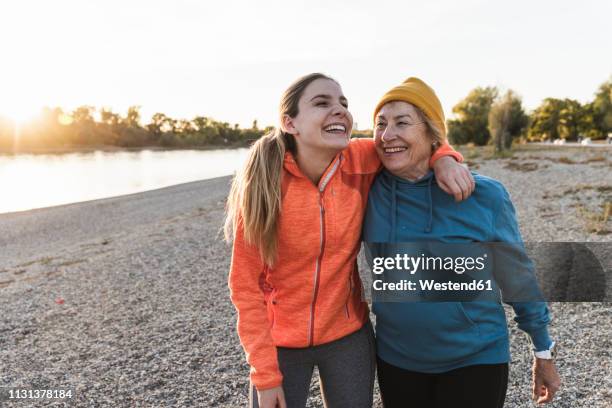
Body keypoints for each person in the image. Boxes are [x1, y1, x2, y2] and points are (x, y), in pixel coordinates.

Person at [225, 73, 474, 408]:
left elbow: (411, 140)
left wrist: (444, 158)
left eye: (343, 103)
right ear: (290, 123)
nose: (339, 110)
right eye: (322, 103)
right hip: (279, 342)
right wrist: (264, 375)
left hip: (347, 335)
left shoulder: (361, 160)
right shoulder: (264, 185)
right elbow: (244, 287)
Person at [363, 77, 561, 408]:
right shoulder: (365, 189)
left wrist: (542, 350)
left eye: (402, 123)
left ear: (431, 133)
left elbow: (518, 277)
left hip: (476, 358)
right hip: (397, 359)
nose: (387, 135)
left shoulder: (484, 195)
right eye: (380, 124)